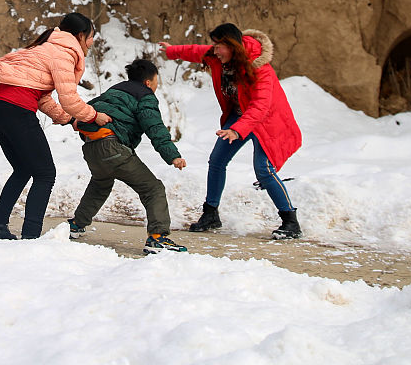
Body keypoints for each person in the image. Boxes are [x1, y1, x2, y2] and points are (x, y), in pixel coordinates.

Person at [164, 23, 304, 240]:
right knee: (217, 160)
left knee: (264, 170)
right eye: (215, 45)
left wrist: (237, 131)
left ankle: (290, 221)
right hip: (239, 116)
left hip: (267, 121)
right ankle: (211, 214)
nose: (216, 50)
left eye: (220, 46)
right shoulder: (218, 56)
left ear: (232, 46)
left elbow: (260, 106)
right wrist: (171, 50)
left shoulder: (260, 68)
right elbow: (196, 51)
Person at [0, 12, 111, 241]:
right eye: (92, 37)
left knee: (24, 169)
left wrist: (70, 119)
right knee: (45, 174)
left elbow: (41, 97)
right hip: (18, 111)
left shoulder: (42, 49)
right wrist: (93, 116)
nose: (92, 43)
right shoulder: (63, 53)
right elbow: (69, 99)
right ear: (81, 36)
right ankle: (31, 237)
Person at [67, 58, 189, 254]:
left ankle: (75, 224)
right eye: (156, 81)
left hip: (91, 148)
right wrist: (172, 155)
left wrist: (73, 121)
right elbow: (155, 127)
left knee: (100, 184)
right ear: (148, 82)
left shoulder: (114, 90)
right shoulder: (145, 96)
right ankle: (158, 238)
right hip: (112, 147)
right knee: (153, 188)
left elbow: (85, 108)